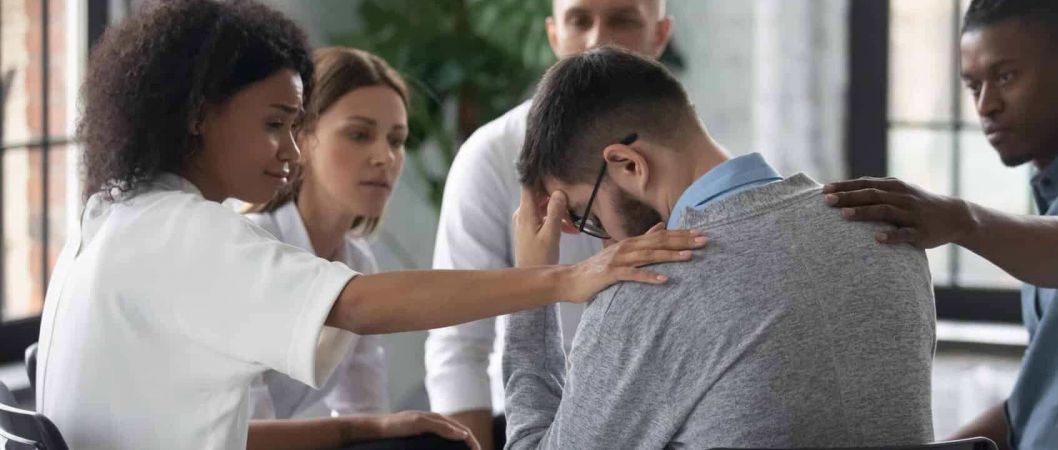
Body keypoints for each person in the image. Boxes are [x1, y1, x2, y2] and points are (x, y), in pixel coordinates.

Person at [36, 2, 704, 449]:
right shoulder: (183, 233)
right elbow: (355, 305)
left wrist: (359, 429)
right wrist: (564, 278)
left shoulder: (116, 217)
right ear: (198, 114)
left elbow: (210, 436)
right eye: (275, 124)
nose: (291, 151)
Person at [503, 46, 937, 450]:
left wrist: (532, 287)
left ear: (629, 165)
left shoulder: (647, 289)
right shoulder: (885, 231)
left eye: (585, 214)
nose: (601, 239)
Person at [823, 0, 1058, 448]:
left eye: (1004, 77)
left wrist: (962, 220)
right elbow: (1036, 405)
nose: (986, 105)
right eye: (973, 85)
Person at [424, 0, 673, 448]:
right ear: (554, 34)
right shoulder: (492, 155)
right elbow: (458, 342)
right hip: (528, 421)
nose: (597, 40)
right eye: (579, 20)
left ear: (660, 35)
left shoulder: (689, 158)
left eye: (622, 20)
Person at [241, 46, 406, 430]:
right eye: (359, 134)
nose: (385, 157)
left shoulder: (357, 265)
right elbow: (244, 430)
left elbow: (365, 408)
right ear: (301, 138)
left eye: (397, 140)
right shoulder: (252, 249)